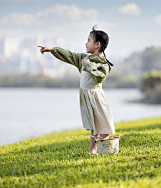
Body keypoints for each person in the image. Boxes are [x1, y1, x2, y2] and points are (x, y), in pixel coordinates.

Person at [37, 24, 115, 156]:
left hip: (97, 97)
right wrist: (53, 50)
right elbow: (70, 55)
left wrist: (88, 65)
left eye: (89, 40)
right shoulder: (83, 58)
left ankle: (106, 150)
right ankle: (92, 151)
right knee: (94, 126)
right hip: (86, 97)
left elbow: (99, 77)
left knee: (104, 125)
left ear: (97, 44)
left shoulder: (103, 63)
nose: (86, 43)